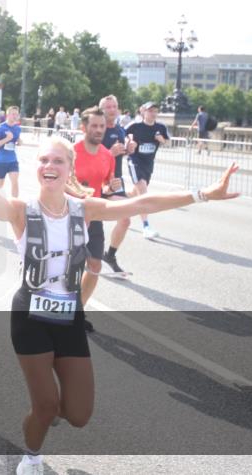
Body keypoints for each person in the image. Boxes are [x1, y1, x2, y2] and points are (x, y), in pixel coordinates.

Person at [0, 138, 239, 475]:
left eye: (58, 161)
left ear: (69, 168)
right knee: (45, 406)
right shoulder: (22, 209)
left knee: (78, 415)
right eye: (44, 159)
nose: (50, 166)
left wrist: (202, 194)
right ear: (36, 167)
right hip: (30, 315)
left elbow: (140, 203)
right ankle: (30, 456)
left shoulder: (84, 209)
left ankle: (48, 417)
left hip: (69, 315)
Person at [70, 107, 122, 332]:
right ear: (83, 127)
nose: (99, 130)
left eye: (102, 126)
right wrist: (77, 190)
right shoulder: (70, 152)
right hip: (69, 216)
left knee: (95, 265)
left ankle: (77, 311)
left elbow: (104, 185)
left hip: (95, 217)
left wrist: (110, 187)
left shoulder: (107, 155)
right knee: (70, 267)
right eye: (94, 126)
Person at [99, 94, 137, 273]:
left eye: (114, 106)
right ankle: (84, 255)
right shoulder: (96, 129)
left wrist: (129, 150)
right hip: (96, 180)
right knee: (91, 220)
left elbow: (119, 154)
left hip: (115, 180)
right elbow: (89, 155)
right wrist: (109, 152)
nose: (112, 110)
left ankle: (110, 255)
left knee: (125, 219)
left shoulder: (121, 130)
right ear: (101, 110)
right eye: (108, 107)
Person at [125, 102, 169, 239]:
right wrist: (129, 142)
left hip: (148, 164)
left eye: (155, 111)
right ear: (143, 112)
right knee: (143, 193)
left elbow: (168, 142)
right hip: (135, 162)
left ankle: (119, 201)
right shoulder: (135, 126)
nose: (153, 113)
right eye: (150, 111)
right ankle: (146, 227)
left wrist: (162, 140)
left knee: (135, 192)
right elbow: (123, 135)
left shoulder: (160, 127)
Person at [0, 106, 23, 198]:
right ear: (8, 115)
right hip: (0, 161)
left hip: (12, 160)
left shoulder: (17, 128)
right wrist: (7, 139)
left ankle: (15, 205)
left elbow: (17, 140)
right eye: (13, 114)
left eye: (16, 114)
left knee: (15, 182)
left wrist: (20, 141)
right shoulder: (0, 128)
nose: (15, 116)